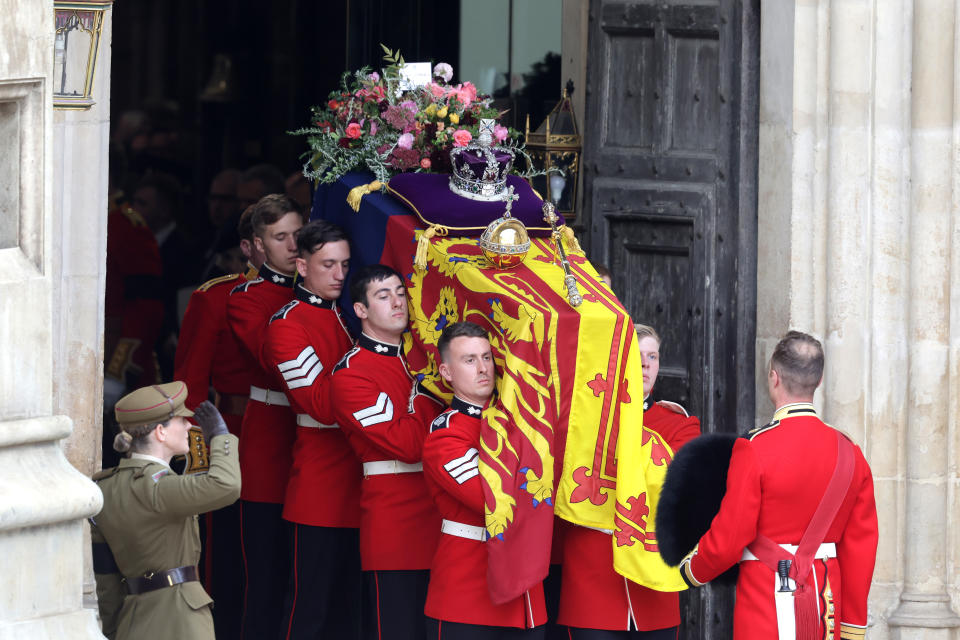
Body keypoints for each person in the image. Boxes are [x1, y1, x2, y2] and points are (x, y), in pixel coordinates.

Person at [678, 331, 878, 640]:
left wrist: (691, 570)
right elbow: (860, 549)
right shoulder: (850, 452)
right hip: (827, 602)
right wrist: (853, 624)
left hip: (765, 600)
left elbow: (731, 536)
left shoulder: (754, 447)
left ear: (774, 377)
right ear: (819, 381)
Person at [557, 324, 699, 639]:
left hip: (653, 586)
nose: (647, 364)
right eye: (637, 356)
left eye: (654, 356)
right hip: (594, 582)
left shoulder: (679, 424)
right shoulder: (580, 423)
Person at [330, 264, 446, 640]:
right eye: (383, 296)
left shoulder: (425, 357)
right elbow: (409, 445)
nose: (397, 302)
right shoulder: (351, 374)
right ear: (361, 310)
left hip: (444, 517)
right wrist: (429, 394)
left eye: (400, 293)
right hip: (396, 523)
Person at [262, 221, 362, 639]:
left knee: (348, 615)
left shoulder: (342, 315)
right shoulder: (288, 324)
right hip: (318, 490)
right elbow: (318, 405)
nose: (340, 274)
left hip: (358, 487)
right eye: (328, 265)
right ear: (302, 266)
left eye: (344, 264)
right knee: (310, 614)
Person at [422, 321, 547, 638]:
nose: (483, 368)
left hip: (527, 597)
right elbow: (492, 499)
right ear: (447, 373)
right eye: (469, 360)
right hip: (470, 597)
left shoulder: (523, 424)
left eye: (487, 357)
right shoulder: (446, 434)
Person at [172, 205, 262, 639]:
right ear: (249, 247)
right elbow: (189, 386)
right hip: (232, 430)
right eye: (278, 237)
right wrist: (200, 459)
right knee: (226, 554)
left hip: (295, 437)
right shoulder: (215, 297)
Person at [90, 382, 239, 640]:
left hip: (133, 619)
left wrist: (115, 630)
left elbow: (107, 581)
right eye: (181, 420)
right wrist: (220, 437)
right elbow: (226, 485)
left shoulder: (104, 488)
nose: (189, 426)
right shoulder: (160, 487)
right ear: (160, 432)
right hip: (181, 620)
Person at [225, 194, 305, 640]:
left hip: (319, 449)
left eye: (298, 233)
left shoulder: (325, 287)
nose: (293, 244)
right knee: (265, 579)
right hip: (271, 444)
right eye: (280, 237)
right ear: (258, 244)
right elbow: (275, 357)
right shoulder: (248, 298)